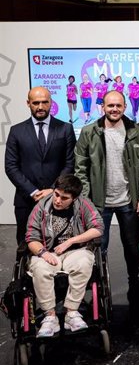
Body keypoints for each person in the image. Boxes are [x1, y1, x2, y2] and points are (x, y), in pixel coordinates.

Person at [74, 90, 139, 315]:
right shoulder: (89, 132)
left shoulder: (136, 132)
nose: (114, 109)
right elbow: (80, 169)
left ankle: (135, 286)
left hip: (129, 201)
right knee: (99, 248)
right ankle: (99, 291)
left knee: (132, 248)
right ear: (103, 107)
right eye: (110, 106)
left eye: (118, 105)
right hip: (99, 203)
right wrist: (87, 200)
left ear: (125, 107)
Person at [25, 174, 103, 338]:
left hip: (75, 252)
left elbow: (97, 228)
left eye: (64, 198)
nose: (58, 200)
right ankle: (50, 316)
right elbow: (31, 238)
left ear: (74, 199)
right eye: (56, 194)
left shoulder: (84, 205)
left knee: (84, 262)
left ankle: (72, 313)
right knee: (39, 268)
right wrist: (43, 253)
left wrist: (71, 241)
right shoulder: (41, 206)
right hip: (47, 252)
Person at [5, 86, 76, 248]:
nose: (41, 107)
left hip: (59, 198)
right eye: (36, 103)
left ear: (51, 103)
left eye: (45, 102)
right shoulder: (16, 131)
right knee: (25, 244)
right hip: (26, 199)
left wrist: (53, 190)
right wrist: (33, 191)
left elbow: (70, 163)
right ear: (28, 103)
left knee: (59, 244)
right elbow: (11, 166)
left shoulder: (65, 129)